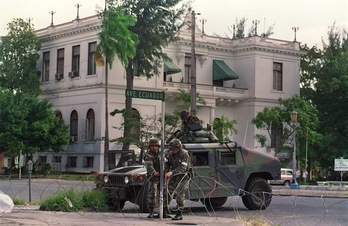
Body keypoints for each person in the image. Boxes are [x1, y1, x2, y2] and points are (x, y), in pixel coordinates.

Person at [164, 139, 191, 221]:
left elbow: (183, 168)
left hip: (183, 177)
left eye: (175, 149)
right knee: (167, 192)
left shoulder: (184, 154)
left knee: (179, 193)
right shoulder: (170, 154)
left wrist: (172, 172)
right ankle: (164, 211)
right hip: (174, 176)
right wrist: (166, 173)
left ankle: (179, 213)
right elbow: (167, 164)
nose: (173, 151)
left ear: (179, 148)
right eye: (172, 149)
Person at [143, 138, 161, 218]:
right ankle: (151, 211)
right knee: (153, 194)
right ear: (150, 147)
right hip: (153, 178)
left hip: (162, 177)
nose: (154, 148)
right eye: (153, 146)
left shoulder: (161, 153)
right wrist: (154, 172)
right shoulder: (148, 155)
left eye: (156, 146)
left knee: (164, 194)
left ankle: (163, 211)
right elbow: (149, 165)